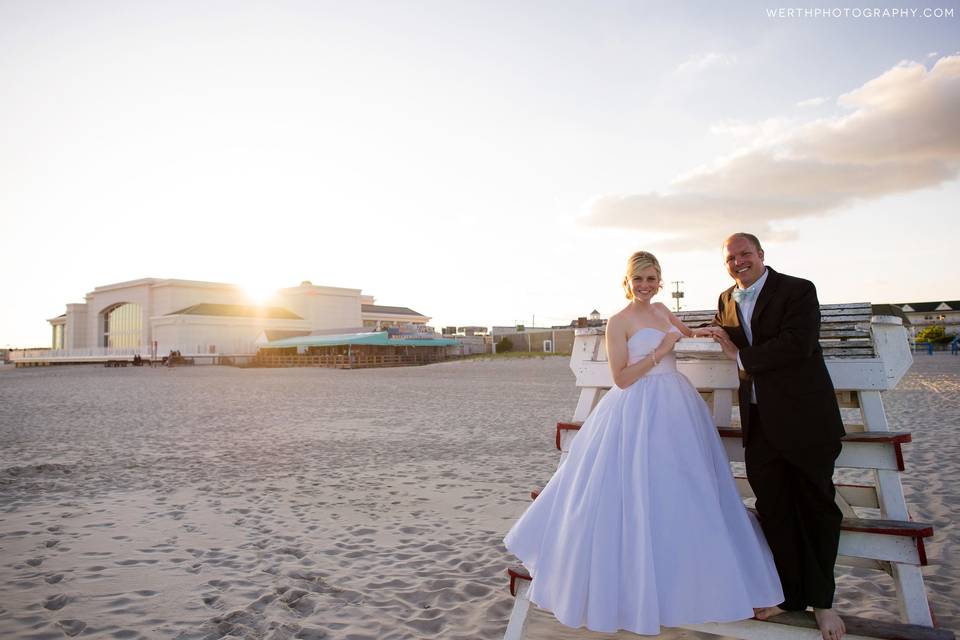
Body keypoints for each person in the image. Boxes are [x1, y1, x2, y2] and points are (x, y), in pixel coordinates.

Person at [504, 251, 783, 635]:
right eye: (640, 280)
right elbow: (621, 378)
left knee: (686, 488)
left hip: (676, 406)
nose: (646, 286)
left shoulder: (664, 309)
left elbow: (685, 333)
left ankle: (703, 584)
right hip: (637, 407)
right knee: (635, 489)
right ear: (627, 282)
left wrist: (712, 332)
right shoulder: (618, 322)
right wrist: (660, 352)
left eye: (652, 279)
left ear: (660, 281)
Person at [701, 233, 846, 640]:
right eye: (731, 257)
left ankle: (824, 603)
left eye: (745, 254)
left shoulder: (798, 290)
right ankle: (789, 595)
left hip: (806, 418)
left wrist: (738, 355)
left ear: (761, 255)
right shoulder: (725, 300)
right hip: (760, 422)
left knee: (817, 507)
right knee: (774, 509)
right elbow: (731, 338)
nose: (738, 261)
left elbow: (798, 344)